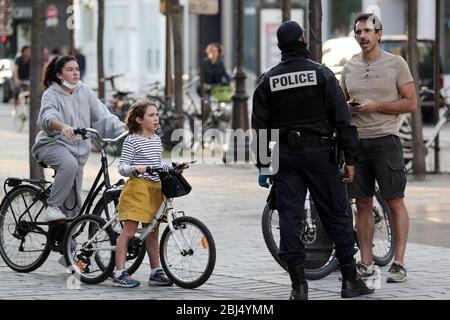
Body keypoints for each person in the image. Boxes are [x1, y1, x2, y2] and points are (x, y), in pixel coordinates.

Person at [252, 21, 374, 300]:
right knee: (335, 215)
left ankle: (298, 287)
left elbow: (259, 128)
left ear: (280, 46)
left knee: (290, 219)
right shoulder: (322, 74)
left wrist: (264, 166)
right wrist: (351, 159)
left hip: (286, 159)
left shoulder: (268, 80)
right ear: (303, 40)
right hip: (321, 155)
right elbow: (342, 120)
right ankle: (350, 282)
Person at [340, 13, 417, 283]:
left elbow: (410, 103)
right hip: (357, 143)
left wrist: (377, 106)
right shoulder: (349, 68)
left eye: (368, 31)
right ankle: (366, 263)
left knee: (394, 200)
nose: (363, 36)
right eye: (358, 32)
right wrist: (348, 109)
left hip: (386, 140)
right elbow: (342, 108)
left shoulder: (397, 64)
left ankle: (399, 262)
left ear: (379, 34)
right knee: (362, 203)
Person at [32, 55, 125, 222]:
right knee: (69, 165)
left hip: (78, 151)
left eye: (76, 69)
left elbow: (103, 116)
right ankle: (51, 206)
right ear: (59, 75)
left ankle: (69, 246)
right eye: (69, 69)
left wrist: (125, 128)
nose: (75, 73)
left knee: (73, 205)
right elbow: (47, 117)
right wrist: (62, 126)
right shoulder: (51, 94)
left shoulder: (84, 90)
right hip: (51, 144)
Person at [112, 99, 175, 288]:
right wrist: (135, 169)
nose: (156, 118)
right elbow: (122, 167)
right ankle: (119, 273)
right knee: (129, 232)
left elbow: (157, 164)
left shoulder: (156, 139)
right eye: (151, 115)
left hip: (156, 189)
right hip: (138, 189)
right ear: (139, 120)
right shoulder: (132, 140)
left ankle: (156, 271)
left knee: (153, 233)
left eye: (157, 114)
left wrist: (173, 166)